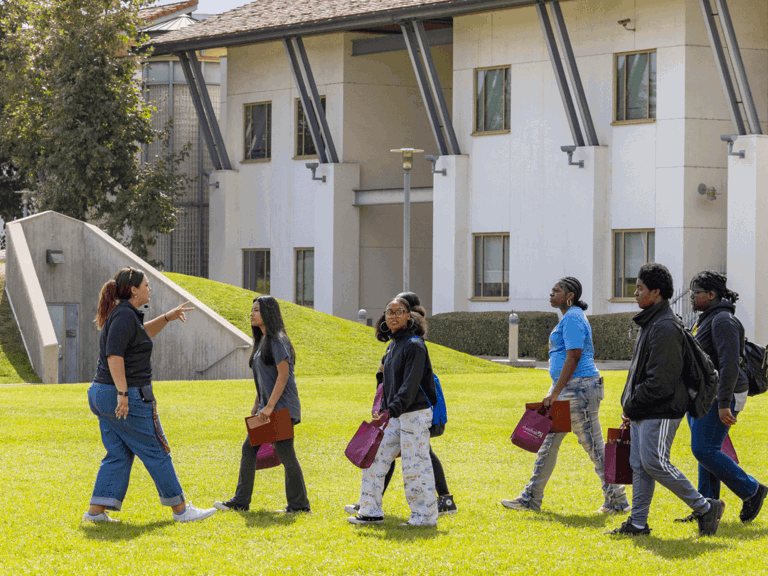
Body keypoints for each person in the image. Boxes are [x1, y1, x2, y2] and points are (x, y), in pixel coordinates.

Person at [84, 267, 216, 523]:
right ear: (134, 290)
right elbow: (115, 356)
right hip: (124, 395)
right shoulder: (124, 316)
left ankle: (96, 513)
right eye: (146, 284)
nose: (149, 288)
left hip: (102, 394)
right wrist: (123, 393)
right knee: (157, 449)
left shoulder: (126, 315)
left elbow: (141, 335)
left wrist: (168, 317)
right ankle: (181, 510)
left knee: (119, 453)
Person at [606, 263, 724, 537]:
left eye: (640, 288)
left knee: (655, 463)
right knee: (640, 466)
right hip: (644, 409)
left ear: (656, 292)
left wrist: (632, 404)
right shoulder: (652, 322)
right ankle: (637, 524)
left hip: (661, 411)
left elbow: (661, 382)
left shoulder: (665, 327)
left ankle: (706, 507)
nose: (635, 293)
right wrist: (631, 406)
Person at [501, 277, 629, 514]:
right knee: (548, 444)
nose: (551, 294)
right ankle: (530, 498)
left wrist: (556, 391)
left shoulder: (572, 317)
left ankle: (618, 501)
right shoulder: (569, 317)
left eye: (556, 291)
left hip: (578, 388)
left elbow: (574, 355)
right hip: (569, 388)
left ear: (570, 295)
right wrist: (555, 390)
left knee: (593, 446)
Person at [344, 291, 457, 517]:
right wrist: (384, 409)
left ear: (410, 317)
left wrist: (390, 411)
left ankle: (424, 517)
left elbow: (410, 386)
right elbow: (387, 383)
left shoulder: (415, 345)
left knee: (415, 467)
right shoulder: (393, 345)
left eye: (399, 312)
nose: (393, 316)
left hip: (414, 413)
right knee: (375, 458)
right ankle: (369, 512)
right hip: (395, 414)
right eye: (389, 312)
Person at [674, 271, 766, 523]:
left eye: (696, 293)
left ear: (711, 295)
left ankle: (753, 490)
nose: (692, 297)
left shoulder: (723, 320)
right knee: (707, 451)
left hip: (722, 395)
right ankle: (706, 508)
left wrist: (725, 404)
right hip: (704, 395)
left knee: (703, 449)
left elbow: (729, 366)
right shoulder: (706, 319)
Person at [214, 295, 310, 514]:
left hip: (280, 408)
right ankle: (241, 502)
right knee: (250, 449)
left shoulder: (277, 339)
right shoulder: (262, 341)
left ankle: (299, 506)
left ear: (268, 313)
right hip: (268, 408)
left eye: (256, 310)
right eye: (252, 310)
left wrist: (268, 407)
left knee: (285, 454)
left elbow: (283, 375)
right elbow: (263, 377)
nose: (252, 313)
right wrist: (258, 404)